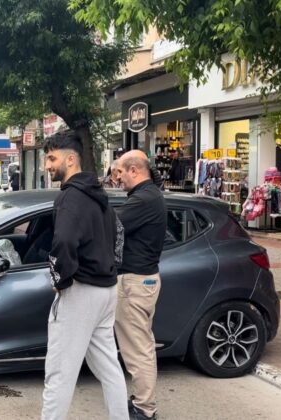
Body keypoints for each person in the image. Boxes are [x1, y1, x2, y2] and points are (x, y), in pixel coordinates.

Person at [41, 129, 128, 420]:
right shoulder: (98, 195)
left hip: (81, 291)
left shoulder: (70, 198)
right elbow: (118, 234)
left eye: (52, 158)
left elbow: (63, 242)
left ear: (70, 159)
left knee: (59, 372)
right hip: (106, 290)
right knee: (109, 367)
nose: (48, 165)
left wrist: (60, 279)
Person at [114, 150, 167, 420]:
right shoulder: (149, 196)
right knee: (140, 345)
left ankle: (145, 409)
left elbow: (110, 226)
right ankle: (141, 402)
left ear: (134, 170)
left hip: (135, 282)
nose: (118, 178)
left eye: (120, 172)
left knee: (137, 350)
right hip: (142, 280)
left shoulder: (144, 200)